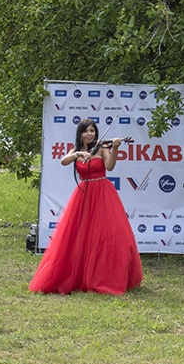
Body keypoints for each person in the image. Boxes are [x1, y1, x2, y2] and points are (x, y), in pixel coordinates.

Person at [29, 118, 143, 295]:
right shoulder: (76, 149)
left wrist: (114, 148)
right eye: (86, 131)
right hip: (83, 194)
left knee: (108, 233)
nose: (89, 134)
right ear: (80, 133)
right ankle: (79, 275)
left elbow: (110, 167)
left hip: (103, 193)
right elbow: (63, 161)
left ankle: (105, 277)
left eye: (92, 130)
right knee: (79, 235)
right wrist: (78, 155)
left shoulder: (102, 148)